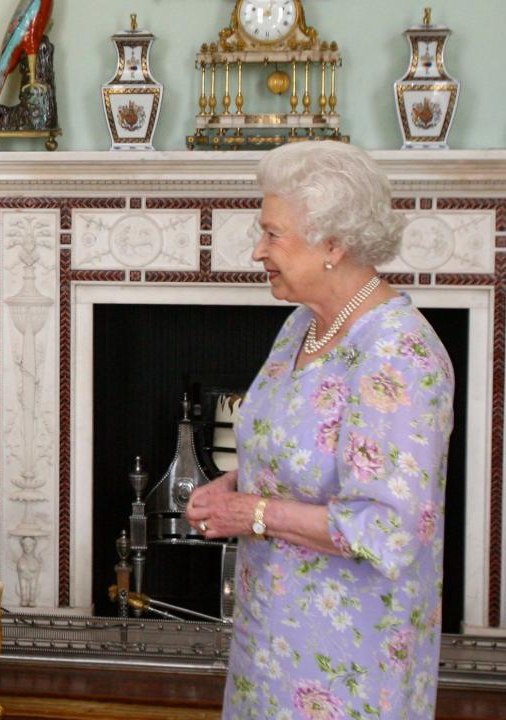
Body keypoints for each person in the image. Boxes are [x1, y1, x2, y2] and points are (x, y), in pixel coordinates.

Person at [185, 141, 454, 719]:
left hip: (353, 654)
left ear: (334, 244)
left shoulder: (399, 354)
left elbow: (388, 528)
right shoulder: (301, 324)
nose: (258, 250)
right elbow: (305, 446)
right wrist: (235, 485)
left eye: (273, 233)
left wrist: (253, 514)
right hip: (274, 635)